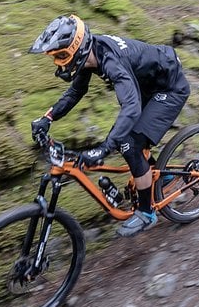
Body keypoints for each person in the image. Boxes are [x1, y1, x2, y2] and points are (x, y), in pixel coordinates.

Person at [29, 14, 190, 237]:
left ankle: (146, 213)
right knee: (128, 136)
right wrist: (48, 118)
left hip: (169, 87)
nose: (58, 63)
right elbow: (76, 91)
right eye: (56, 57)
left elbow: (131, 107)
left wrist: (105, 148)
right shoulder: (90, 54)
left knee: (129, 142)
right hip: (147, 82)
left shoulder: (111, 62)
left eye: (61, 56)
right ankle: (158, 174)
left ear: (76, 48)